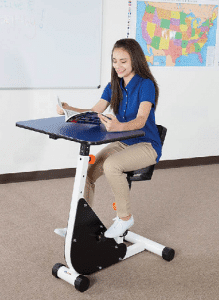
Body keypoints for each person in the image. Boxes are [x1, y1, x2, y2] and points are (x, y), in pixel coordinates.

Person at [56, 38, 162, 238]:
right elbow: (95, 111)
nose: (118, 66)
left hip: (147, 145)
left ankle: (125, 218)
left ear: (135, 60)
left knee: (111, 165)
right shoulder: (113, 85)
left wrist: (119, 126)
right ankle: (79, 224)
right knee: (88, 174)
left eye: (123, 61)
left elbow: (140, 120)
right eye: (114, 61)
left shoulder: (146, 84)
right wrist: (68, 109)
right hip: (123, 142)